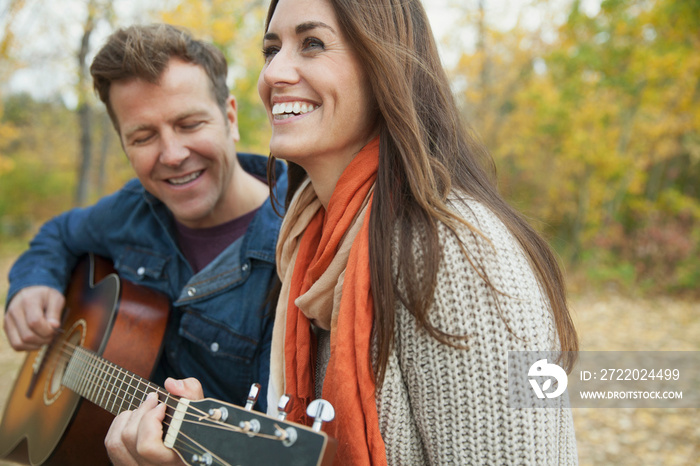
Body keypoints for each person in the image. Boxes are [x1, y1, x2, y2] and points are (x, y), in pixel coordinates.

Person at [258, 0, 579, 464]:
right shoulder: (306, 247)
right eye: (271, 49)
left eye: (312, 44)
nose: (274, 73)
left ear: (382, 66)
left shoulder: (454, 251)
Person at [4, 23, 285, 417]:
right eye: (143, 137)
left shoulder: (297, 240)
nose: (171, 154)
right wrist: (32, 283)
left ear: (231, 118)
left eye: (190, 124)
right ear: (123, 144)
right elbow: (59, 234)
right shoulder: (131, 211)